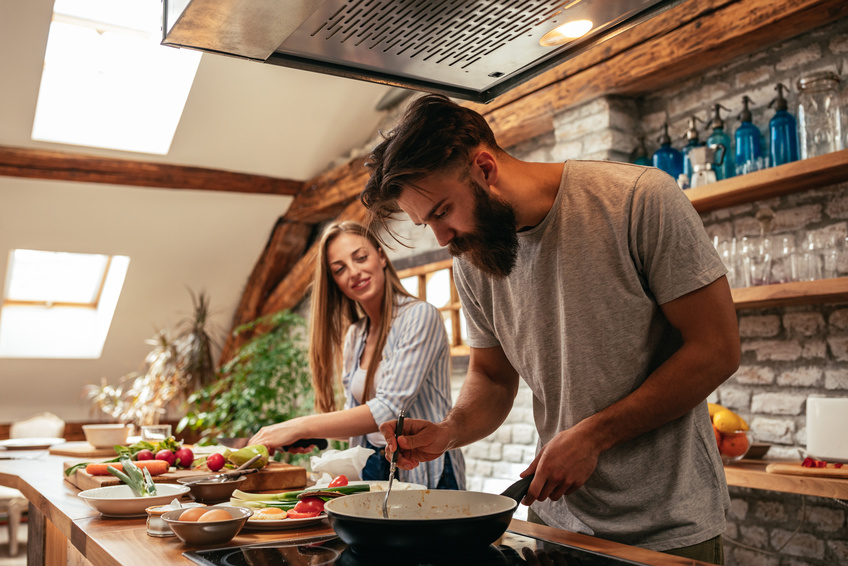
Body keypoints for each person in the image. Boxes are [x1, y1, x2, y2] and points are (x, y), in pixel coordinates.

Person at [360, 94, 740, 564]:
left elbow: (716, 349)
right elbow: (494, 378)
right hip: (556, 526)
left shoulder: (638, 199)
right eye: (425, 223)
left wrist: (594, 436)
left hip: (667, 529)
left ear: (484, 167)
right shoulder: (474, 260)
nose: (441, 238)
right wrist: (448, 431)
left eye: (441, 212)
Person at [249, 220, 465, 490]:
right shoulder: (356, 334)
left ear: (381, 256)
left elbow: (387, 408)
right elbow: (359, 419)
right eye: (340, 269)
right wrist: (318, 438)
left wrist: (299, 426)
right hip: (374, 467)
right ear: (335, 282)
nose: (354, 272)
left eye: (361, 258)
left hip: (426, 470)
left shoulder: (420, 316)